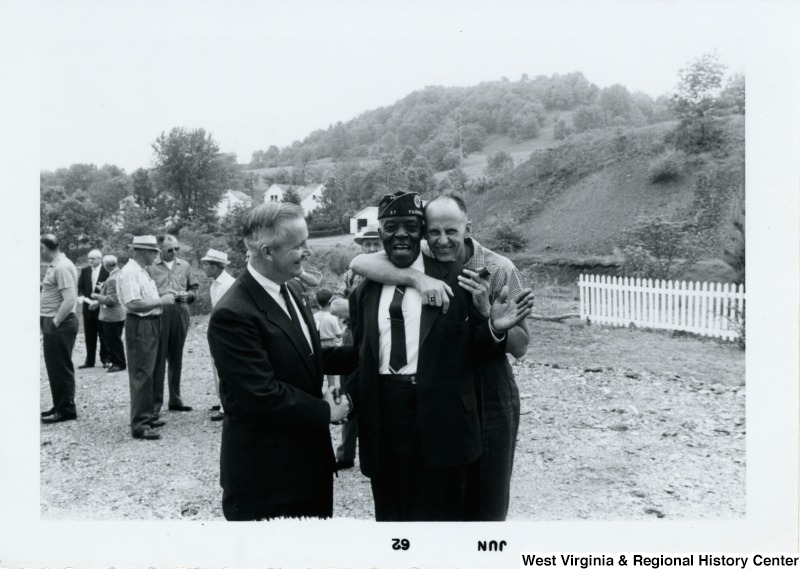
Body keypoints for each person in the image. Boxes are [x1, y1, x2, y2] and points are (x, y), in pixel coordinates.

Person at [345, 191, 533, 521]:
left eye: (451, 232)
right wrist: (415, 277)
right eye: (434, 232)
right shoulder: (419, 261)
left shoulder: (497, 269)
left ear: (468, 228)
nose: (442, 241)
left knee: (485, 495)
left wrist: (489, 315)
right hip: (435, 387)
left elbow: (519, 346)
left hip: (489, 386)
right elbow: (360, 261)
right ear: (426, 233)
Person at [207, 202, 357, 521]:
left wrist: (368, 354)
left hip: (307, 469)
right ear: (267, 251)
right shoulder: (232, 314)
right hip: (268, 483)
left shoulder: (288, 288)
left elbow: (307, 354)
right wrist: (326, 411)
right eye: (299, 245)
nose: (308, 252)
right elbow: (261, 394)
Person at [329, 224, 381, 470]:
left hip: (384, 338)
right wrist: (369, 312)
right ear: (361, 247)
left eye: (376, 243)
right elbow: (335, 306)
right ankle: (346, 455)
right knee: (349, 391)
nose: (372, 248)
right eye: (367, 244)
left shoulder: (391, 271)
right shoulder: (351, 272)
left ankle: (380, 453)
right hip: (354, 336)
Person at [117, 235, 176, 440]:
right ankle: (140, 424)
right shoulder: (130, 273)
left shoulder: (141, 271)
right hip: (141, 324)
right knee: (142, 373)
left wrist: (160, 297)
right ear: (143, 251)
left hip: (151, 323)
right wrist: (161, 300)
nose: (156, 256)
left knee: (152, 370)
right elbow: (133, 304)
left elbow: (142, 299)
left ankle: (148, 415)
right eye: (154, 252)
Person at [146, 234, 199, 414]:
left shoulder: (184, 265)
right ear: (160, 250)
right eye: (170, 249)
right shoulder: (150, 266)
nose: (174, 252)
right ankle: (155, 404)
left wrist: (189, 296)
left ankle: (175, 399)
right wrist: (159, 298)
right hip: (160, 312)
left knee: (176, 357)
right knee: (159, 358)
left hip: (180, 310)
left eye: (177, 249)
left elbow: (194, 288)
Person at [40, 234, 80, 424]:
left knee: (60, 367)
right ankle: (60, 404)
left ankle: (66, 409)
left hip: (60, 323)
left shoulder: (62, 266)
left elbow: (70, 299)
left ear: (44, 248)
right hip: (56, 321)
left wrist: (55, 322)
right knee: (55, 367)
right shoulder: (58, 265)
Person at [201, 249, 236, 422]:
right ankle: (222, 399)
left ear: (216, 267)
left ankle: (227, 405)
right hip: (217, 330)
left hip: (226, 332)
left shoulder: (229, 284)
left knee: (224, 367)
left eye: (207, 264)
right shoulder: (215, 284)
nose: (204, 268)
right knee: (216, 366)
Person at [92, 255, 126, 373]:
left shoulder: (112, 279)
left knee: (113, 340)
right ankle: (118, 361)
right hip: (119, 314)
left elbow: (111, 300)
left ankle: (119, 363)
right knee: (115, 339)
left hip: (112, 316)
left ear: (105, 266)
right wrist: (103, 288)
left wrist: (97, 296)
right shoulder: (119, 274)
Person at [77, 249, 110, 369]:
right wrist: (81, 296)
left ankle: (105, 359)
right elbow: (80, 287)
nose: (90, 260)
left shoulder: (107, 271)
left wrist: (98, 301)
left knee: (104, 335)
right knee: (89, 336)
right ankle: (89, 361)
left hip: (102, 307)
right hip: (88, 308)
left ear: (100, 259)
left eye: (93, 258)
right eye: (89, 258)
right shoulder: (85, 270)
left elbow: (111, 290)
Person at [314, 288, 343, 392]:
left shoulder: (313, 316)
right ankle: (331, 392)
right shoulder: (332, 317)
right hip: (329, 344)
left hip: (317, 346)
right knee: (331, 372)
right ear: (331, 301)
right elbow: (339, 335)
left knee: (319, 370)